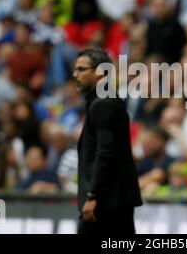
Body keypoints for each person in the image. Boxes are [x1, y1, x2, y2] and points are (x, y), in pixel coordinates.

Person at [72, 48, 142, 235]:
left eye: (81, 69)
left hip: (106, 203)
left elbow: (105, 153)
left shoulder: (102, 103)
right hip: (115, 200)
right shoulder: (108, 99)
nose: (75, 74)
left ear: (100, 72)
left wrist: (93, 195)